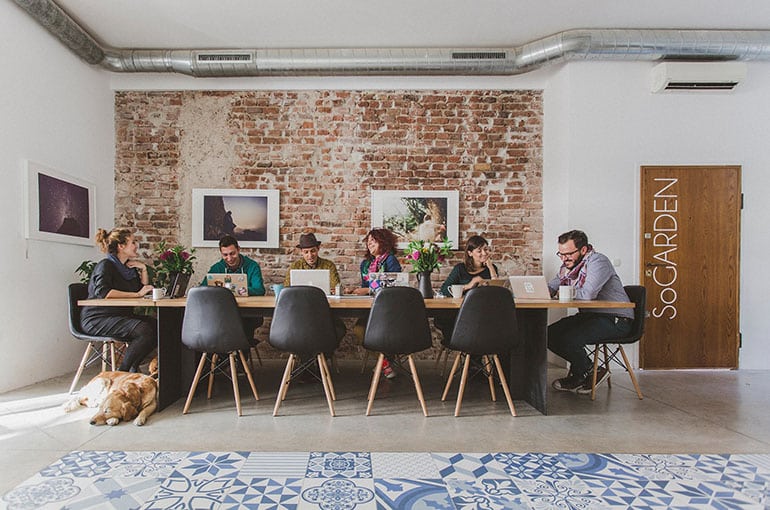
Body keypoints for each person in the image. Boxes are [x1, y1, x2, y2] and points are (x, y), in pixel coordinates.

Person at [547, 229, 634, 394]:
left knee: (570, 338)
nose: (564, 258)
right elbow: (552, 286)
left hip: (616, 319)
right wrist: (537, 291)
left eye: (569, 254)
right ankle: (588, 371)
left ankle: (586, 373)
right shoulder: (568, 268)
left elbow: (587, 294)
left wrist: (561, 292)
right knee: (548, 334)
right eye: (561, 254)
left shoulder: (598, 262)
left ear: (583, 250)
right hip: (591, 316)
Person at [80, 228, 156, 373]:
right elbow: (104, 292)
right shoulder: (106, 265)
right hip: (97, 318)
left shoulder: (128, 268)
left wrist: (143, 269)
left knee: (157, 326)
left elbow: (142, 289)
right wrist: (137, 295)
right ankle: (122, 372)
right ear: (121, 246)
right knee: (144, 330)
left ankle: (133, 368)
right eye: (133, 242)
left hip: (119, 316)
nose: (136, 246)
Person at [344, 228, 402, 378]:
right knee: (359, 330)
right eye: (368, 242)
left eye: (373, 241)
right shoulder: (365, 264)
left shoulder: (390, 260)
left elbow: (394, 285)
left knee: (368, 331)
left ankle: (384, 361)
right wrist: (355, 290)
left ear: (384, 242)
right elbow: (366, 287)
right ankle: (385, 362)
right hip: (370, 310)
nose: (369, 244)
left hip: (389, 311)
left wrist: (368, 290)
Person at [435, 235, 499, 345]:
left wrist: (491, 268)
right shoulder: (460, 269)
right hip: (461, 313)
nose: (484, 253)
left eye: (486, 249)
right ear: (470, 253)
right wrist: (469, 285)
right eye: (479, 251)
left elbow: (497, 291)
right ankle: (461, 348)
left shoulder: (492, 269)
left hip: (483, 313)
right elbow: (444, 290)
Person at [201, 235, 266, 341]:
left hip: (247, 313)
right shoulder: (217, 268)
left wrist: (240, 289)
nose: (229, 258)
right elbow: (203, 288)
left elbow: (259, 290)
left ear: (238, 249)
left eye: (232, 253)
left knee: (244, 323)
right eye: (225, 255)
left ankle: (242, 348)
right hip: (222, 312)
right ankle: (226, 349)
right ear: (221, 253)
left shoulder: (252, 266)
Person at [284, 232, 346, 342]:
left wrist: (334, 290)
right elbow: (287, 291)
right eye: (306, 252)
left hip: (324, 310)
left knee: (338, 329)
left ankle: (323, 351)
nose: (310, 255)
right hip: (300, 311)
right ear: (301, 252)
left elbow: (335, 287)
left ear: (318, 249)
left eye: (313, 251)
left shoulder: (329, 265)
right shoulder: (294, 267)